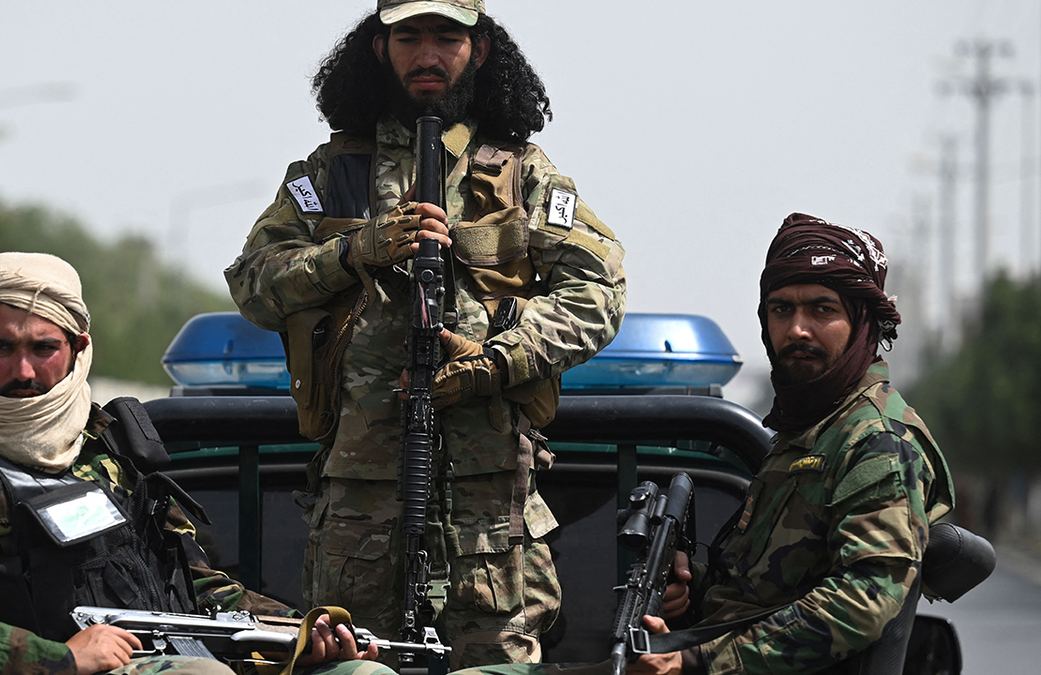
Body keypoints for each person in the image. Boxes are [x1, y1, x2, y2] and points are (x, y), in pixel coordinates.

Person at [226, 0, 626, 667]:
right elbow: (254, 285)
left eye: (447, 36)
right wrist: (354, 251)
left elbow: (599, 291)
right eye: (408, 36)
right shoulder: (330, 176)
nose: (428, 54)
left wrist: (498, 360)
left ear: (481, 49)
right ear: (380, 49)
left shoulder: (523, 175)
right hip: (360, 514)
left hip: (489, 522)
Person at [0, 252, 386, 675]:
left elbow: (195, 583)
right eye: (1, 347)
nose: (22, 369)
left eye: (43, 347)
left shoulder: (109, 450)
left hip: (183, 653)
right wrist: (60, 658)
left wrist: (297, 635)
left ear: (77, 348)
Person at [631, 214, 955, 674]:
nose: (798, 329)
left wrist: (697, 661)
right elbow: (762, 592)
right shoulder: (807, 434)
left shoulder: (875, 440)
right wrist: (687, 587)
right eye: (782, 310)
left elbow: (864, 599)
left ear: (862, 322)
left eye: (822, 310)